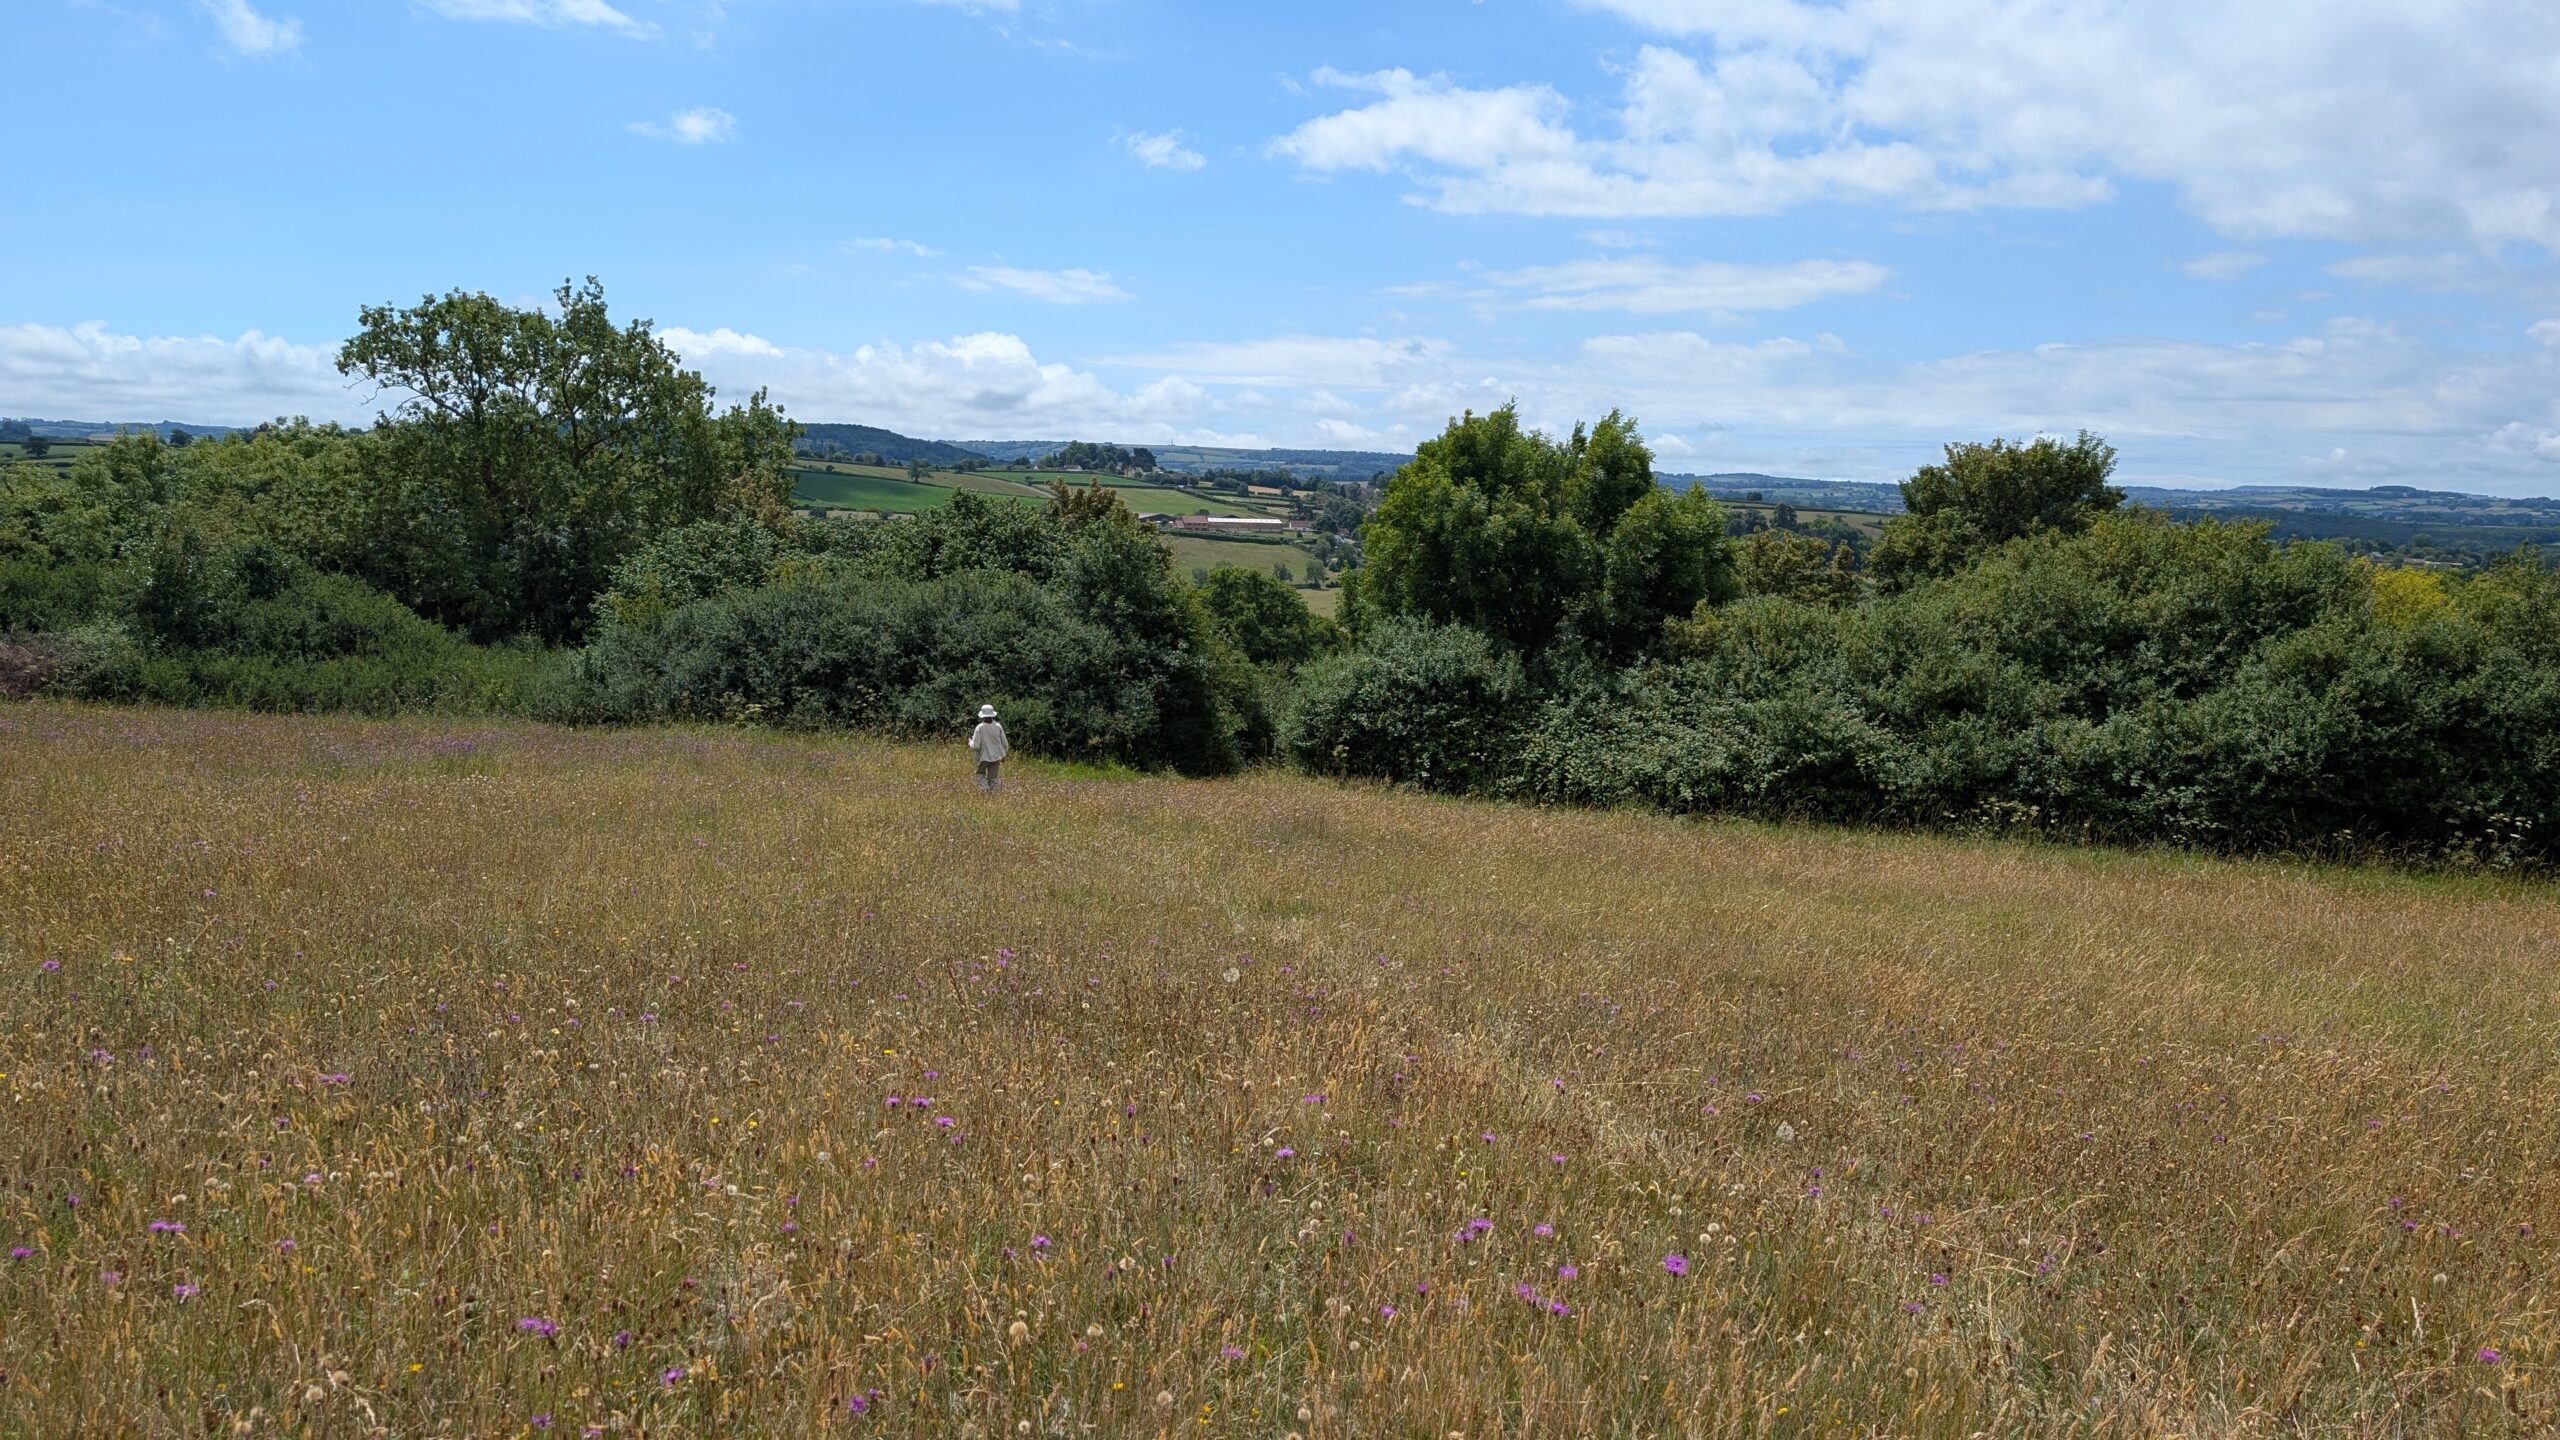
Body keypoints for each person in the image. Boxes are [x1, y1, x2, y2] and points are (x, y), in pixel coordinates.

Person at [968, 704, 1009, 791]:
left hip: (983, 757)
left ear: (982, 716)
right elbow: (1005, 743)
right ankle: (994, 796)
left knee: (980, 774)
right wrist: (1004, 754)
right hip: (996, 757)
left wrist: (970, 742)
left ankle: (984, 791)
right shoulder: (998, 726)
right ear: (992, 715)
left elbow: (976, 746)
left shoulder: (980, 727)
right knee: (993, 778)